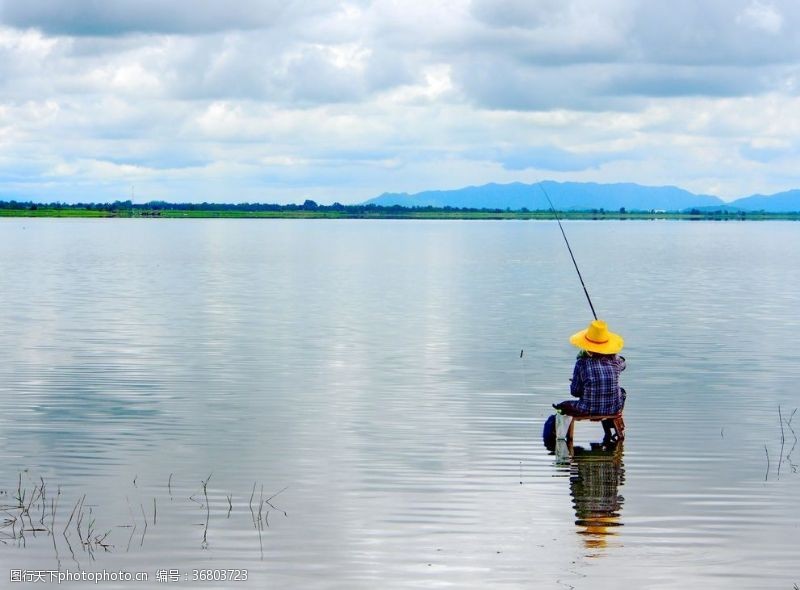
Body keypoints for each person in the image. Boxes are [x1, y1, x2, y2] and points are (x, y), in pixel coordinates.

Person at [553, 319, 626, 434]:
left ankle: (563, 438)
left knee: (562, 406)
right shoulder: (615, 362)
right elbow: (623, 363)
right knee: (622, 392)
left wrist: (583, 384)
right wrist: (613, 355)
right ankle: (611, 427)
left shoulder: (581, 363)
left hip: (586, 409)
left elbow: (575, 392)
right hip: (613, 408)